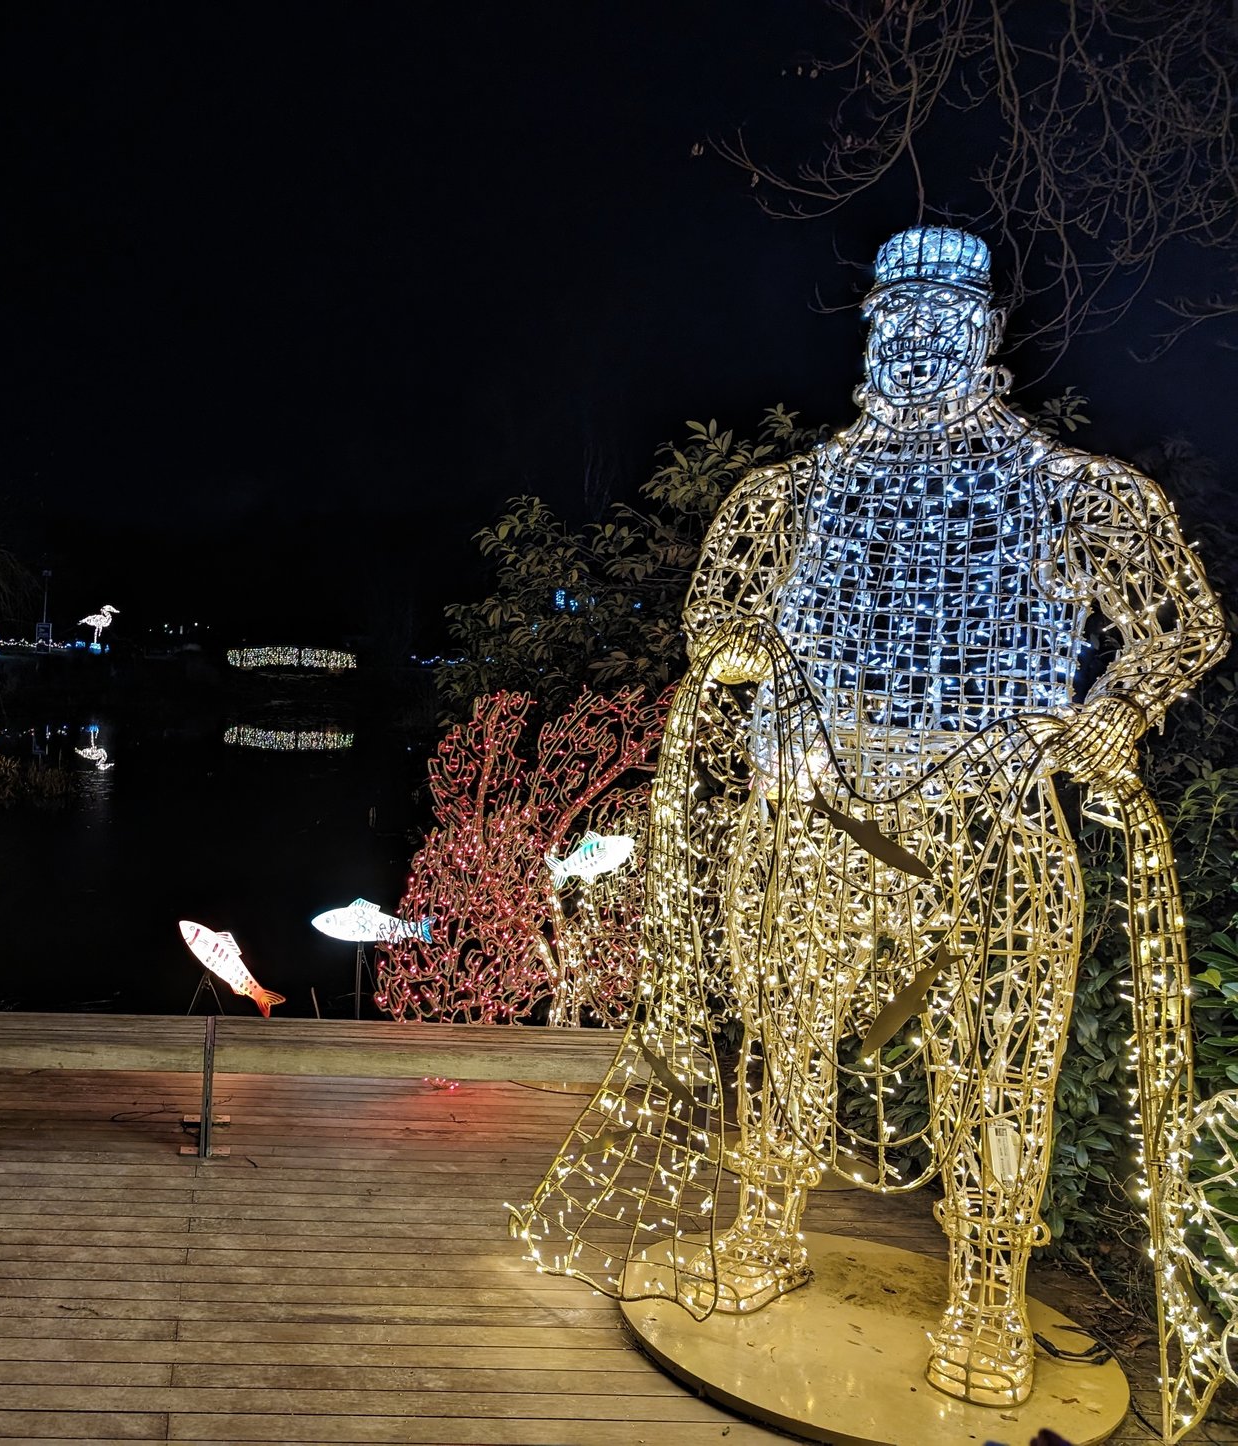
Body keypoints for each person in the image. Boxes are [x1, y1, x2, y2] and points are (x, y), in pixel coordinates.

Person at [514, 227, 1226, 1418]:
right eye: (895, 323)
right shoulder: (785, 499)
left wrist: (1113, 714)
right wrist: (752, 665)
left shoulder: (1073, 493)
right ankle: (765, 1231)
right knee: (782, 1043)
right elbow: (715, 624)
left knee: (997, 1075)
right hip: (815, 826)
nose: (914, 345)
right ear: (870, 335)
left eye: (940, 324)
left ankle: (987, 1297)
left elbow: (1182, 627)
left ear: (985, 336)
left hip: (992, 828)